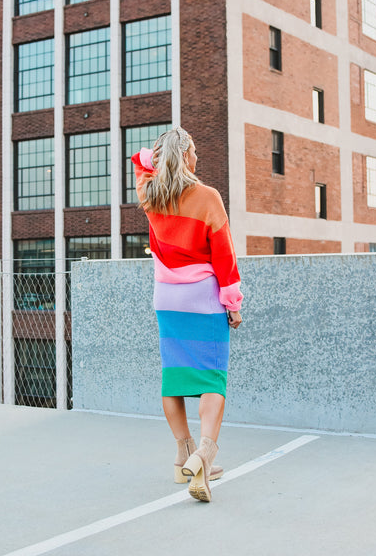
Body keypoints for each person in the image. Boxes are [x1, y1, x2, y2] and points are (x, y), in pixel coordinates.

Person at [131, 127, 243, 502]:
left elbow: (139, 159)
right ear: (184, 155)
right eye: (192, 151)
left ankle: (184, 455)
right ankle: (205, 455)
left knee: (174, 378)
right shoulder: (207, 197)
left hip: (166, 298)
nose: (197, 157)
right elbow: (224, 256)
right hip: (202, 297)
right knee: (212, 379)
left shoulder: (150, 193)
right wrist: (233, 303)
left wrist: (162, 154)